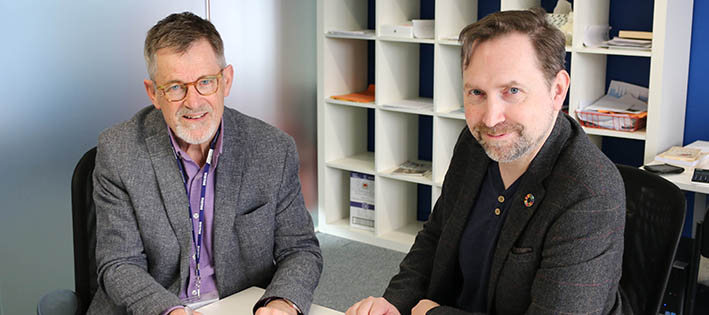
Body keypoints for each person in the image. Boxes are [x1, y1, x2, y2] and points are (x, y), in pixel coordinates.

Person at [347, 8, 629, 315]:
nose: (491, 118)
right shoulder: (474, 145)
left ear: (557, 90)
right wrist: (395, 302)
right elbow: (437, 236)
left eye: (512, 91)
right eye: (476, 92)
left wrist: (434, 314)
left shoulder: (589, 191)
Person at [88, 12, 322, 315]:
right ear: (153, 93)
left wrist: (282, 304)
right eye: (175, 87)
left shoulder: (273, 149)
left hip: (240, 305)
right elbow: (119, 264)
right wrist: (171, 311)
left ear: (226, 81)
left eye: (205, 82)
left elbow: (300, 249)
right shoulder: (119, 151)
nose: (193, 101)